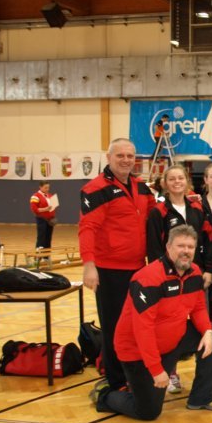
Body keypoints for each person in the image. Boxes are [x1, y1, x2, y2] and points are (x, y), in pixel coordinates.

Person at [89, 225, 212, 419]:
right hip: (137, 351)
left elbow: (198, 307)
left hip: (172, 341)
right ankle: (105, 396)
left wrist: (207, 331)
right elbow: (143, 330)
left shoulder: (195, 273)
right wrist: (156, 370)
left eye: (190, 247)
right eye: (181, 246)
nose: (186, 251)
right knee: (148, 412)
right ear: (168, 247)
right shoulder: (148, 278)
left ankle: (201, 397)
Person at [80, 138, 156, 391]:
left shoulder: (141, 187)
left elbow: (157, 215)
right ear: (109, 157)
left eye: (130, 156)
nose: (125, 160)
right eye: (120, 155)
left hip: (138, 269)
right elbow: (87, 228)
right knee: (114, 327)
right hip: (109, 271)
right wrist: (89, 265)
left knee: (137, 325)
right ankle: (116, 381)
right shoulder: (95, 189)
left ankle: (134, 373)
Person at [146, 164, 212, 394]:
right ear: (165, 184)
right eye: (172, 179)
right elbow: (154, 247)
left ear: (187, 181)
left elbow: (210, 238)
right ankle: (171, 372)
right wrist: (163, 276)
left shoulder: (197, 207)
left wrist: (209, 270)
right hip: (169, 279)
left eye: (180, 178)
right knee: (170, 324)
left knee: (202, 322)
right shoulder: (158, 212)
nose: (177, 182)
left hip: (197, 276)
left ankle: (203, 371)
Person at [30, 180, 57, 251]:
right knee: (41, 237)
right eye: (45, 188)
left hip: (50, 219)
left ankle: (46, 255)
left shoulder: (50, 195)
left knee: (48, 237)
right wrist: (45, 209)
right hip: (41, 219)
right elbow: (34, 209)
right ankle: (39, 254)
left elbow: (53, 206)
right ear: (40, 187)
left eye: (48, 187)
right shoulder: (35, 196)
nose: (47, 189)